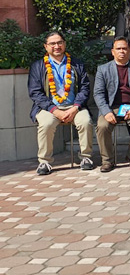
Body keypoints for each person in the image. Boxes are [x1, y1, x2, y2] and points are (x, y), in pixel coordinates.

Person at [28, 31, 95, 175]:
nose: (56, 46)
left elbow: (85, 88)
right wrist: (54, 110)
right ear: (46, 46)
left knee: (85, 121)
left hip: (74, 106)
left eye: (59, 42)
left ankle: (86, 157)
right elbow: (35, 93)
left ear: (64, 44)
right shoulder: (38, 66)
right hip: (49, 108)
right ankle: (44, 162)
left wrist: (76, 107)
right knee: (46, 124)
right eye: (52, 43)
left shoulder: (77, 64)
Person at [93, 36, 130, 172]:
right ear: (113, 51)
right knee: (102, 126)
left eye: (125, 48)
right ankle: (107, 161)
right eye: (118, 49)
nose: (122, 51)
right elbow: (98, 93)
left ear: (129, 50)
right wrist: (106, 112)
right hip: (111, 108)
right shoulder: (103, 69)